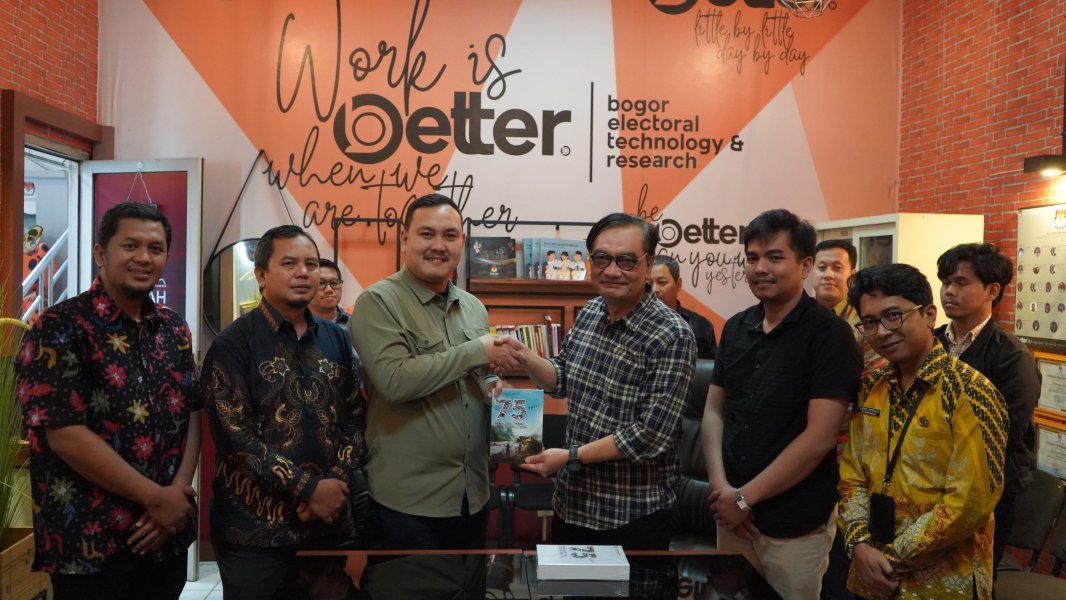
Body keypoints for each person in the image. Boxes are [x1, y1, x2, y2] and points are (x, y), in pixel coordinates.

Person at [14, 202, 200, 600]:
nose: (144, 257)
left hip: (165, 535)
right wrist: (155, 498)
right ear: (101, 253)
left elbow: (192, 413)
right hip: (90, 542)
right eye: (130, 245)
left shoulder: (173, 328)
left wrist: (176, 495)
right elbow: (65, 435)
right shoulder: (58, 327)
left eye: (156, 248)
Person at [502, 212, 696, 551]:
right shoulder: (591, 311)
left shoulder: (673, 335)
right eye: (602, 258)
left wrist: (570, 456)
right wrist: (524, 355)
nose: (612, 270)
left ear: (648, 263)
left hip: (630, 516)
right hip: (572, 504)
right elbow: (562, 377)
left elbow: (649, 436)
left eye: (626, 260)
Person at [703, 208, 862, 600]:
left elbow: (819, 437)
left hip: (794, 522)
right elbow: (714, 412)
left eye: (775, 257)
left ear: (804, 265)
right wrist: (723, 490)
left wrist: (745, 498)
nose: (761, 268)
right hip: (731, 514)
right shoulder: (736, 327)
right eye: (752, 257)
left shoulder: (830, 335)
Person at [201, 224, 366, 599]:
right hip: (254, 531)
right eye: (289, 263)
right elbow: (235, 438)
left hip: (325, 524)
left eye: (311, 264)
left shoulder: (337, 339)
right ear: (261, 275)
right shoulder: (233, 344)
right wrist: (309, 489)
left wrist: (333, 484)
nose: (304, 272)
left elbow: (356, 418)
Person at [348, 193, 519, 550]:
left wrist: (492, 385)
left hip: (472, 495)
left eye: (449, 235)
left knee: (469, 581)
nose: (438, 245)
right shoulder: (378, 302)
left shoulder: (473, 307)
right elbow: (395, 381)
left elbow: (476, 373)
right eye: (427, 234)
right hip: (407, 504)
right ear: (405, 237)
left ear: (462, 242)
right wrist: (476, 351)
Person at [839, 264, 1007, 599]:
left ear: (929, 315)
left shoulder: (970, 391)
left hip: (944, 579)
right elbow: (852, 473)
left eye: (893, 316)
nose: (882, 331)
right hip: (870, 572)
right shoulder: (871, 387)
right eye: (869, 322)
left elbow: (969, 502)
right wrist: (859, 543)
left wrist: (893, 559)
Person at [935, 243, 1040, 580]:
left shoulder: (1012, 356)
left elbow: (1002, 434)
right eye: (945, 282)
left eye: (961, 283)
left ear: (992, 291)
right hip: (929, 482)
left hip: (985, 493)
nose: (949, 291)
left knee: (971, 581)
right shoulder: (931, 342)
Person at [812, 239, 888, 373]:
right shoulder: (797, 314)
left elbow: (875, 376)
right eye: (822, 268)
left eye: (837, 268)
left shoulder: (865, 321)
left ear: (852, 276)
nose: (828, 275)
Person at [650, 254, 718, 359]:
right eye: (649, 283)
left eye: (662, 282)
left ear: (678, 284)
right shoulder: (632, 322)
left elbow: (710, 367)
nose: (654, 289)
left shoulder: (701, 326)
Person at [309, 258, 350, 326]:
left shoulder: (355, 324)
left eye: (334, 283)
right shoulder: (296, 325)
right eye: (321, 283)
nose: (329, 289)